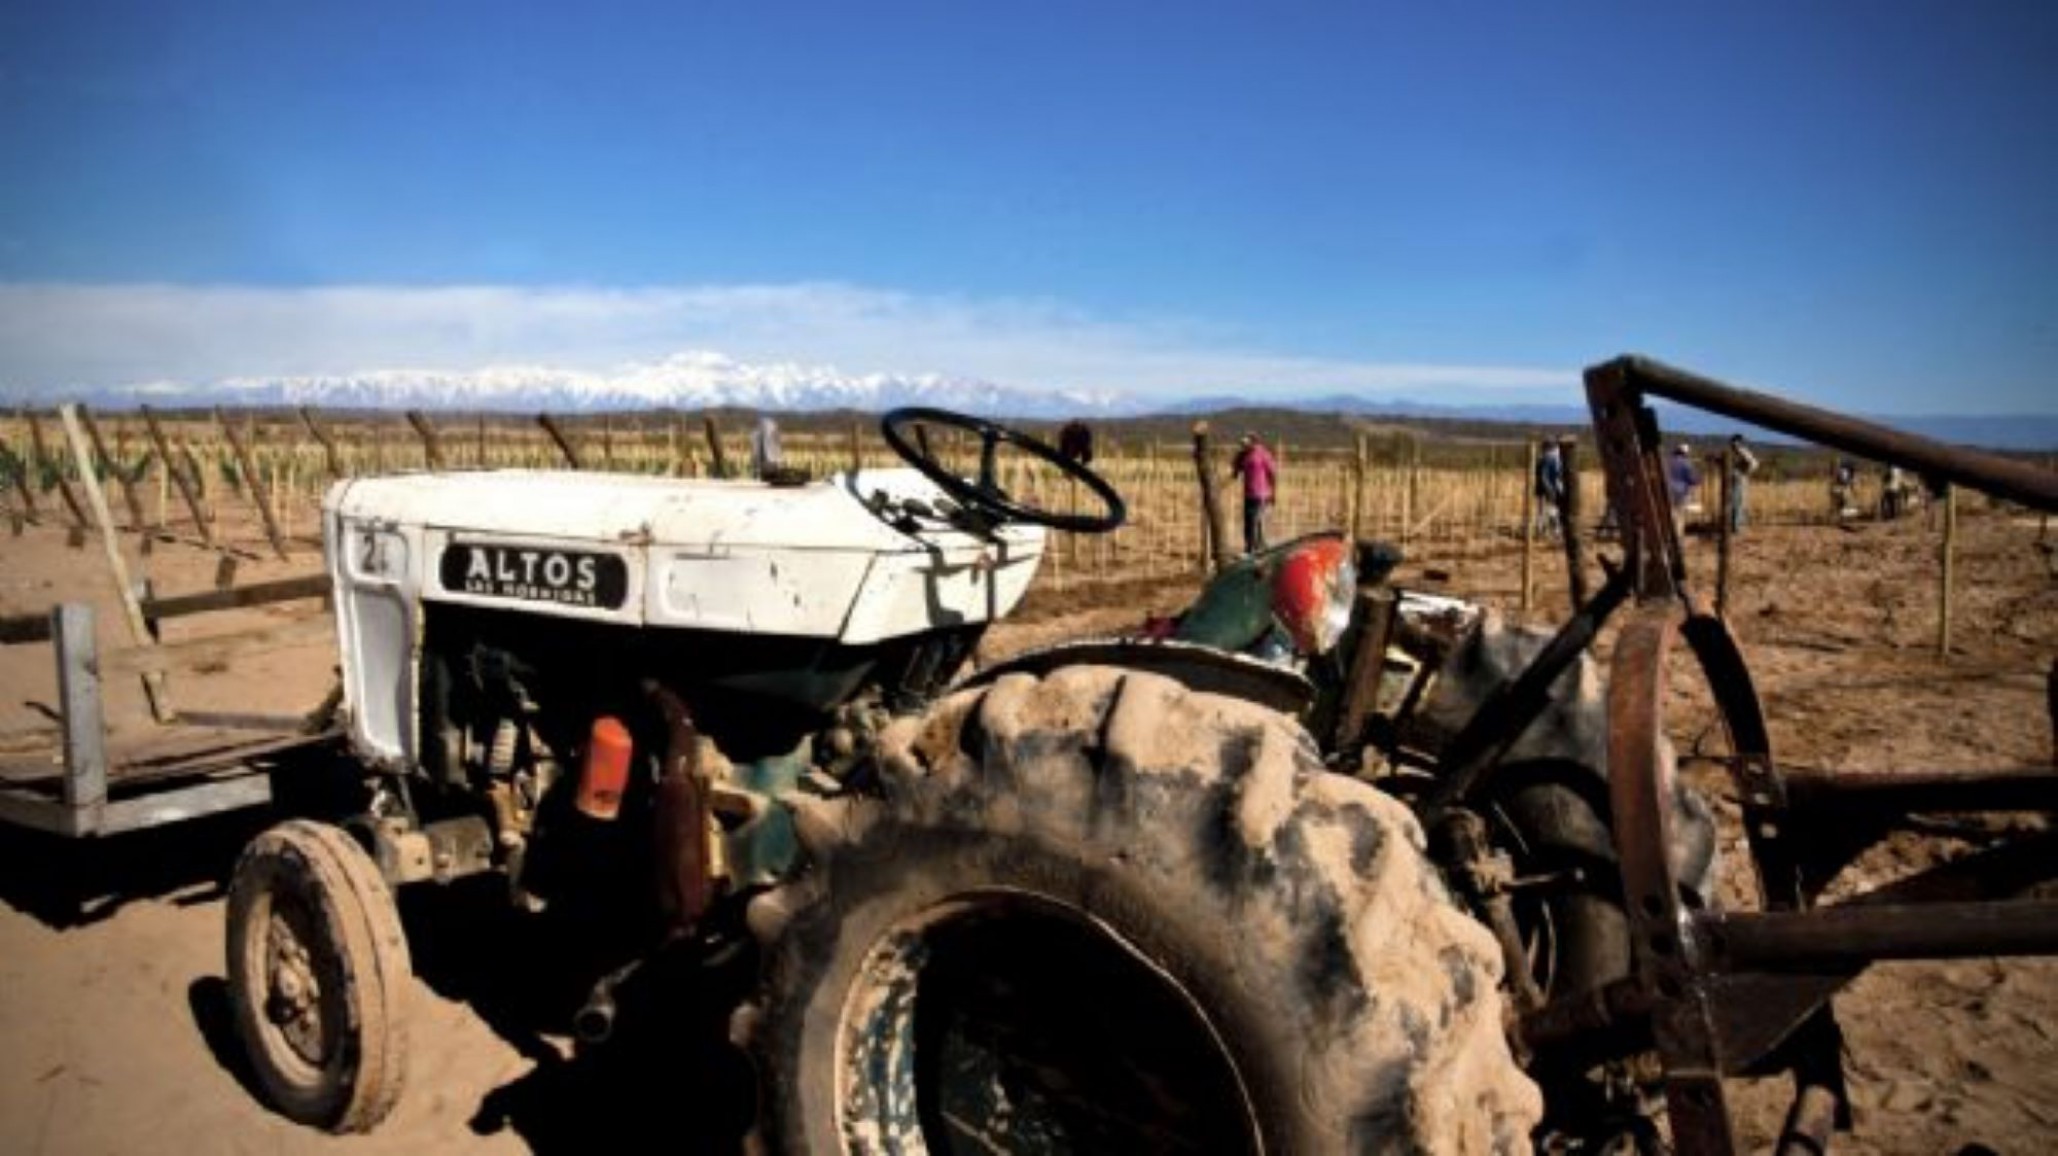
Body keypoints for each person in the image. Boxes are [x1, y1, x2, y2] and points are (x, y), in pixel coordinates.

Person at [1230, 433, 1277, 555]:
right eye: (1243, 445)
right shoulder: (1245, 455)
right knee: (1248, 522)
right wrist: (1236, 462)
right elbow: (1236, 471)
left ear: (1255, 442)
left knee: (1256, 522)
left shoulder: (1263, 454)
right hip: (1248, 494)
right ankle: (1250, 548)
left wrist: (1273, 493)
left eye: (1246, 444)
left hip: (1262, 494)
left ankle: (1255, 549)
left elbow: (1272, 474)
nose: (1244, 446)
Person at [1726, 434, 1759, 534]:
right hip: (1737, 478)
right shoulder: (1735, 452)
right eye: (1732, 441)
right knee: (1736, 501)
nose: (1731, 443)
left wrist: (1742, 472)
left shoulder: (1742, 451)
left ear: (1738, 442)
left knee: (1737, 502)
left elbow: (1753, 464)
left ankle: (1737, 527)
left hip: (1739, 478)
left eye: (1734, 441)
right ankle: (1736, 526)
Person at [1532, 439, 1565, 538]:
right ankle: (1555, 531)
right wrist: (1555, 488)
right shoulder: (1553, 458)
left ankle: (1540, 530)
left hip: (1541, 487)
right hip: (1550, 487)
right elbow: (1556, 475)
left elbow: (1539, 475)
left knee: (1541, 510)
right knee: (1553, 509)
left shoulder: (1541, 459)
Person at [1667, 443, 1700, 535]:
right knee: (1680, 515)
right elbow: (1692, 479)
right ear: (1686, 453)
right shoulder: (1686, 463)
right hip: (1681, 491)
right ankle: (1677, 536)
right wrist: (1698, 479)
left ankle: (1669, 534)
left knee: (1670, 513)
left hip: (1667, 490)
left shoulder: (1668, 461)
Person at [750, 414, 783, 479]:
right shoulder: (757, 434)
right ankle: (760, 472)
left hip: (768, 461)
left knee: (768, 457)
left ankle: (764, 472)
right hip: (764, 460)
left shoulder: (769, 432)